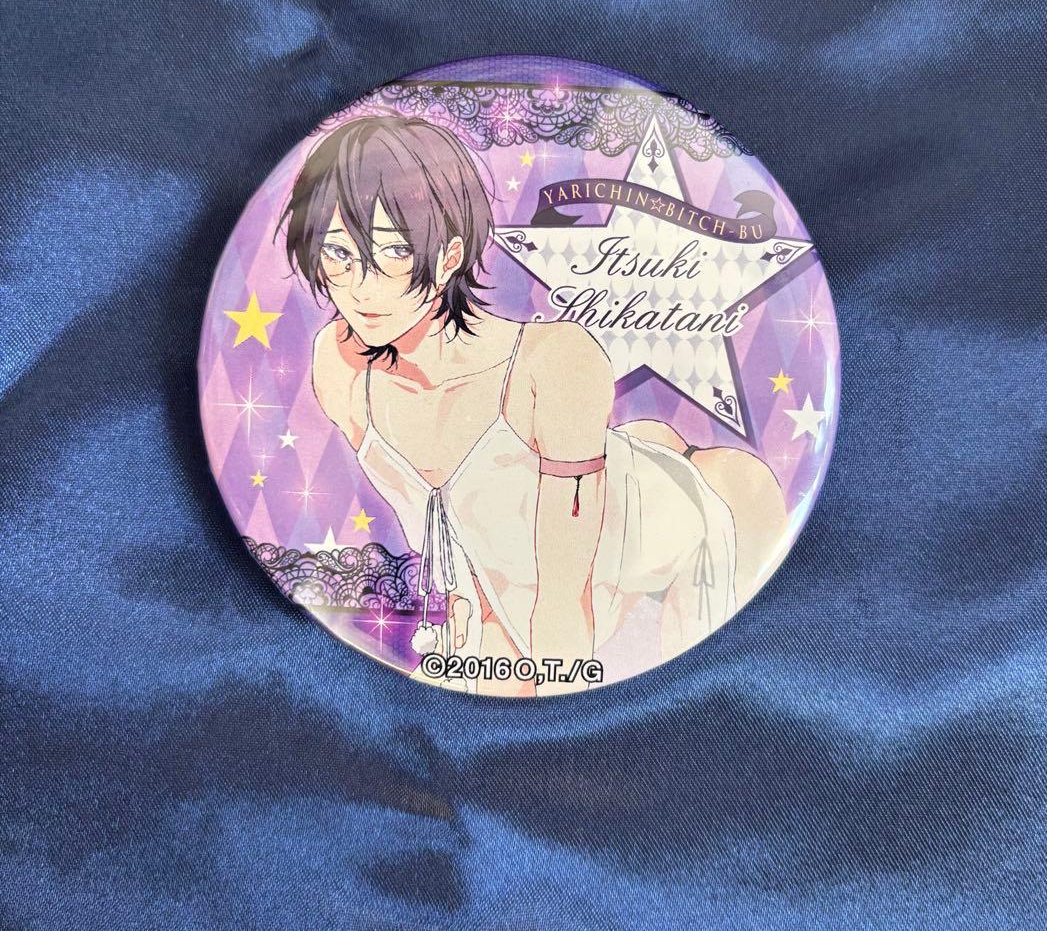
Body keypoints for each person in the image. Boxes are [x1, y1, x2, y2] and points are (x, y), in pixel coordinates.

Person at [278, 114, 786, 695]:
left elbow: (565, 595)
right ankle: (648, 445)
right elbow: (451, 537)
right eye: (338, 253)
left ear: (449, 256)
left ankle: (663, 458)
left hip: (664, 535)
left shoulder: (553, 362)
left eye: (393, 251)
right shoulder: (339, 365)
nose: (361, 287)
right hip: (510, 578)